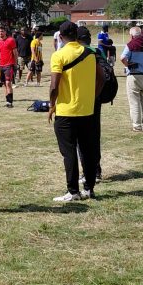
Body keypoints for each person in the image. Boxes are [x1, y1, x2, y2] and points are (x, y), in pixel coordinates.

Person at [49, 21, 104, 202]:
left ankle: (73, 191)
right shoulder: (90, 53)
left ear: (61, 36)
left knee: (69, 152)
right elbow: (102, 77)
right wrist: (92, 96)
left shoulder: (58, 55)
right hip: (87, 110)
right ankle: (89, 189)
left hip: (66, 111)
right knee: (88, 150)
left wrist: (51, 105)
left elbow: (54, 86)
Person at [76, 26, 103, 182]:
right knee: (94, 135)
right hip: (96, 99)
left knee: (81, 138)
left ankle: (88, 172)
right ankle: (96, 170)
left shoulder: (80, 53)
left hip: (82, 100)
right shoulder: (98, 52)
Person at [0, 26, 18, 107]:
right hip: (1, 65)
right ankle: (8, 101)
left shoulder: (11, 40)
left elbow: (15, 52)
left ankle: (10, 102)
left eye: (2, 31)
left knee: (8, 83)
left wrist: (15, 63)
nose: (0, 33)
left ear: (5, 32)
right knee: (5, 84)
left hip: (9, 65)